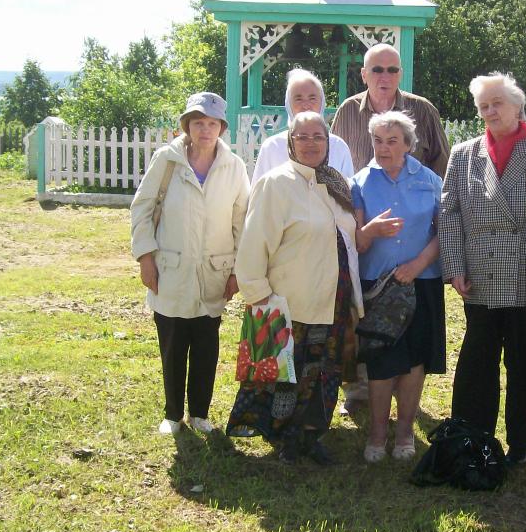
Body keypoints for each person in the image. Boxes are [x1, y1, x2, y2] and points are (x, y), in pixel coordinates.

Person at [226, 111, 364, 464]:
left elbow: (348, 236)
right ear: (290, 142)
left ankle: (311, 435)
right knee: (286, 372)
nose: (310, 144)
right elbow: (255, 240)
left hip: (333, 297)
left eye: (318, 136)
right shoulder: (276, 183)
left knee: (323, 371)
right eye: (302, 137)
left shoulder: (337, 183)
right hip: (290, 300)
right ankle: (284, 438)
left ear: (328, 142)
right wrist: (257, 292)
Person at [439, 72, 526, 465]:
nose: (490, 111)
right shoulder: (464, 153)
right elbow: (449, 212)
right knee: (477, 359)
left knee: (523, 360)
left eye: (497, 103)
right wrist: (454, 265)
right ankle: (473, 433)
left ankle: (522, 442)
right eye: (483, 106)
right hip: (479, 276)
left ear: (518, 105)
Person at [130, 91, 250, 435]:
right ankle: (172, 415)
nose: (205, 130)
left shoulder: (234, 166)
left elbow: (242, 220)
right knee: (172, 343)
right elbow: (142, 208)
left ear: (221, 128)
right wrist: (145, 257)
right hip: (170, 269)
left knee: (205, 346)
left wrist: (238, 270)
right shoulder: (166, 161)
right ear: (187, 125)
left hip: (214, 271)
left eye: (212, 123)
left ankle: (199, 413)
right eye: (198, 122)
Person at [351, 111, 446, 463]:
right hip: (378, 285)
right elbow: (357, 244)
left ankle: (405, 432)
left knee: (414, 361)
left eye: (393, 141)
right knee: (381, 361)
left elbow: (444, 232)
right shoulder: (359, 183)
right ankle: (377, 434)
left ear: (408, 144)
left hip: (422, 281)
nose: (384, 147)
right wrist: (371, 231)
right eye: (378, 140)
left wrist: (418, 264)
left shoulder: (430, 180)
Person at [331, 43, 450, 176]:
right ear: (364, 75)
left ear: (400, 74)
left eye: (392, 70)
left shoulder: (424, 110)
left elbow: (443, 164)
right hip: (359, 196)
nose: (386, 77)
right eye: (378, 70)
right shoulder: (348, 111)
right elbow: (332, 159)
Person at [251, 68, 354, 185]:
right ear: (288, 103)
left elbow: (348, 195)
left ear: (322, 102)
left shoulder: (338, 146)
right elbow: (258, 194)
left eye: (312, 98)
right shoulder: (272, 147)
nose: (306, 105)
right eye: (298, 99)